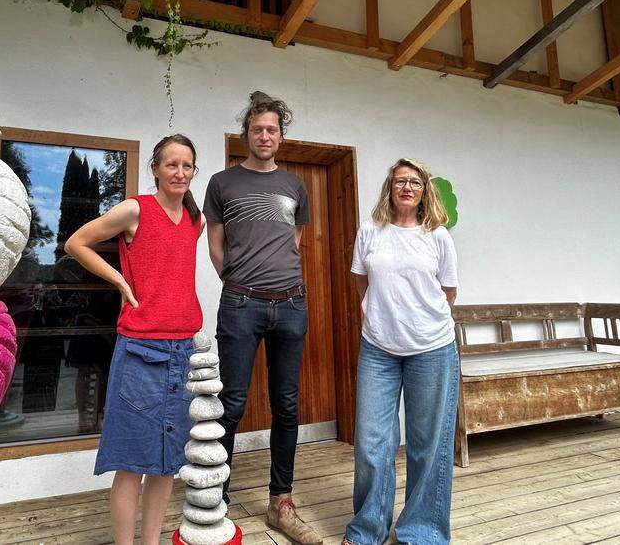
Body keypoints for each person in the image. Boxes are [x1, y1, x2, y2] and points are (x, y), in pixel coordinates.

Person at [65, 134, 204, 545]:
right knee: (131, 464)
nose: (180, 172)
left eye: (187, 165)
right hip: (142, 352)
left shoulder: (195, 220)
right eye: (172, 164)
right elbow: (77, 243)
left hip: (183, 352)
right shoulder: (134, 210)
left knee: (166, 465)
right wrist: (120, 280)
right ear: (155, 169)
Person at [204, 91, 321, 544]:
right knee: (230, 405)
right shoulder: (221, 182)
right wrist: (235, 283)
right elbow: (215, 244)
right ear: (246, 135)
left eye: (272, 129)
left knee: (286, 406)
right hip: (241, 304)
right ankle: (215, 500)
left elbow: (291, 241)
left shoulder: (295, 185)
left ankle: (281, 503)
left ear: (280, 135)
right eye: (258, 130)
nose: (265, 136)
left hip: (291, 305)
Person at [343, 158, 459, 545]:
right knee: (372, 442)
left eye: (415, 182)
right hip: (378, 348)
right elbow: (361, 280)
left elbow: (449, 293)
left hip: (432, 348)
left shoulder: (438, 235)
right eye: (400, 182)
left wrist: (416, 318)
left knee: (428, 444)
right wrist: (383, 315)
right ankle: (367, 530)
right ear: (389, 188)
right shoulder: (370, 231)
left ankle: (421, 532)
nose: (407, 188)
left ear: (425, 190)